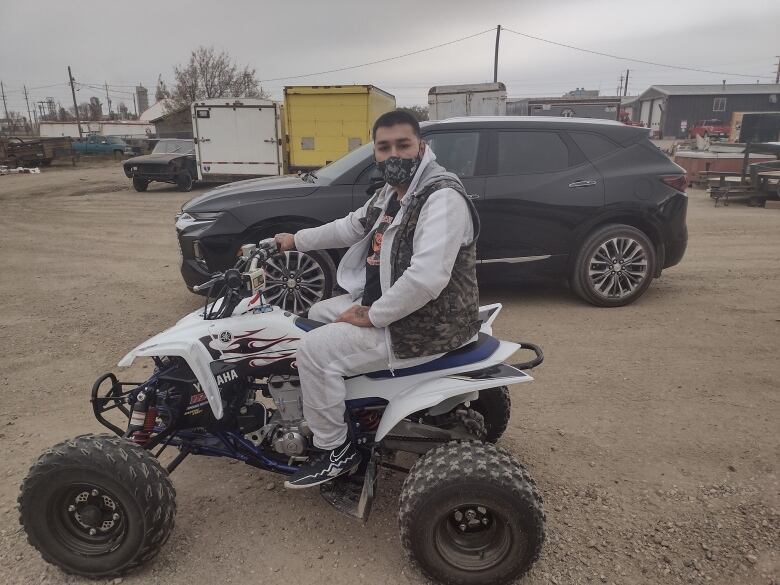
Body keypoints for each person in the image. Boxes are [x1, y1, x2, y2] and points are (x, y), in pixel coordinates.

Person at [275, 110, 480, 489]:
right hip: (395, 306)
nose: (394, 155)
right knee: (317, 312)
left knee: (312, 351)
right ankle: (356, 404)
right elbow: (350, 226)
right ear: (375, 153)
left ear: (422, 146)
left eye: (403, 145)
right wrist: (295, 240)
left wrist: (373, 315)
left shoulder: (441, 197)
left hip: (424, 322)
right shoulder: (394, 193)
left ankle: (334, 449)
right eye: (384, 148)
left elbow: (427, 278)